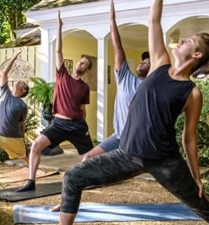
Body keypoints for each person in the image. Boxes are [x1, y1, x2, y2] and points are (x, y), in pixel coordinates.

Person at [57, 0, 209, 224]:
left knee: (201, 205)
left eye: (188, 41)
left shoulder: (192, 93)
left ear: (197, 55)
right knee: (73, 177)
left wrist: (196, 176)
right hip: (127, 154)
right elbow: (154, 20)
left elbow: (190, 137)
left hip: (165, 160)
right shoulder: (160, 63)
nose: (180, 41)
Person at [49, 0, 150, 212]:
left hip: (140, 142)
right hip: (119, 136)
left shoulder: (153, 85)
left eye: (147, 61)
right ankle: (69, 199)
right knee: (86, 159)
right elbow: (118, 48)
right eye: (142, 60)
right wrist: (112, 20)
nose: (142, 62)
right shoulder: (125, 77)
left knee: (163, 175)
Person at [16, 10, 94, 192]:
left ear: (87, 69)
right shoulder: (63, 75)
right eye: (80, 61)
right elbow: (58, 50)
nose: (80, 64)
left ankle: (86, 178)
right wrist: (59, 26)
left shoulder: (84, 87)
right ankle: (31, 182)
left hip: (77, 125)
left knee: (91, 155)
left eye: (84, 64)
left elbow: (83, 109)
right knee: (35, 145)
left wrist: (83, 124)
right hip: (58, 124)